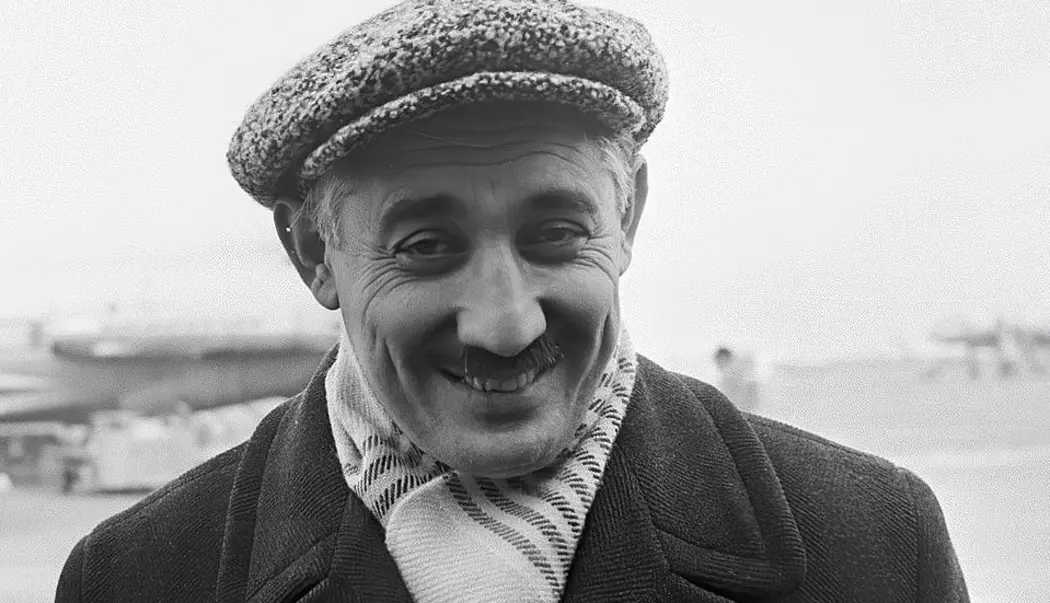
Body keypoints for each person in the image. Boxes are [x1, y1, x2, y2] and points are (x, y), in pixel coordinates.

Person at [56, 1, 969, 601]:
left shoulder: (877, 548)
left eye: (556, 234)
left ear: (627, 216)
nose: (505, 325)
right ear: (311, 254)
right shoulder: (134, 578)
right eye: (426, 247)